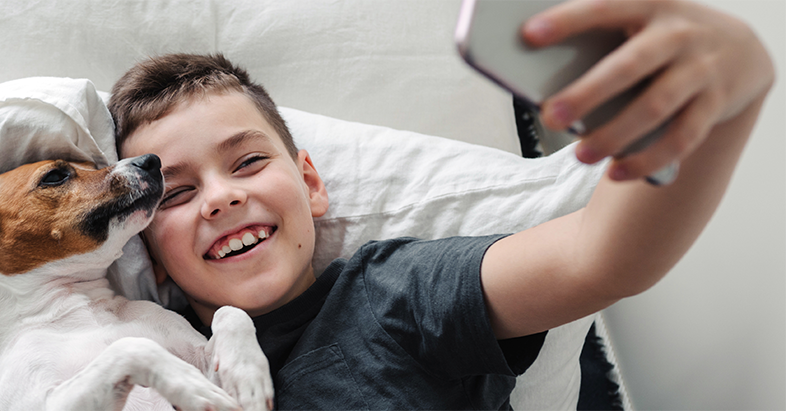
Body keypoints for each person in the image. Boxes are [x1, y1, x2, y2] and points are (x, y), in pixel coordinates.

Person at [108, 0, 775, 409]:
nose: (223, 197)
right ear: (148, 251)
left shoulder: (393, 290)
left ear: (311, 184)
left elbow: (597, 256)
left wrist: (731, 100)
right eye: (181, 192)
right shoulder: (140, 362)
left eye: (248, 161)